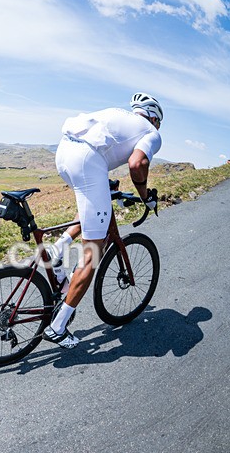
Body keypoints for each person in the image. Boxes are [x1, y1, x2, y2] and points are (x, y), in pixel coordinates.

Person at [43, 92, 162, 348]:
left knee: (92, 206)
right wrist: (145, 197)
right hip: (87, 161)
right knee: (92, 254)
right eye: (159, 123)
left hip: (64, 153)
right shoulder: (151, 131)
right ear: (153, 117)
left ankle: (59, 246)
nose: (158, 128)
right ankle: (57, 327)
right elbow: (137, 163)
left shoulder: (118, 115)